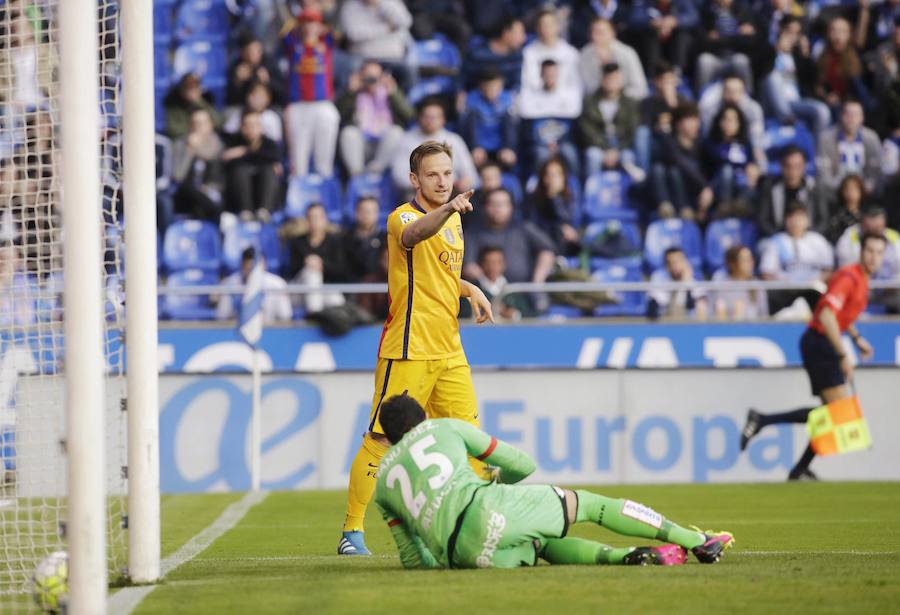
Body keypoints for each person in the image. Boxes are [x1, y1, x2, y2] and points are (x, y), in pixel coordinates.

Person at [339, 141, 496, 556]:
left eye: (447, 173)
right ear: (415, 179)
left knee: (473, 441)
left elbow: (436, 276)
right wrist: (447, 210)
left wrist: (469, 288)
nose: (442, 181)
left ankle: (478, 526)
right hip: (407, 350)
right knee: (381, 440)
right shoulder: (402, 218)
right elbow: (415, 235)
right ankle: (351, 532)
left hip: (450, 351)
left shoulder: (455, 221)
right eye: (432, 174)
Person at [374, 393, 735, 569]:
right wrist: (500, 484)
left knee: (538, 545)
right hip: (486, 506)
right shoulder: (443, 426)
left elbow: (412, 559)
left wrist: (447, 560)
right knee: (591, 505)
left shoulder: (382, 483)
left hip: (462, 555)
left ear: (389, 438)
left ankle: (626, 557)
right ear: (423, 417)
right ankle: (698, 541)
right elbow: (522, 464)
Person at [740, 232, 888, 480]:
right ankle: (767, 426)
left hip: (825, 342)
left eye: (879, 252)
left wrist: (856, 337)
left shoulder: (861, 280)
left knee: (832, 413)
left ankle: (794, 462)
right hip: (819, 342)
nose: (874, 257)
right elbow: (827, 315)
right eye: (870, 251)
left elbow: (840, 315)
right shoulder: (849, 277)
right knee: (836, 411)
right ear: (861, 252)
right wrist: (843, 354)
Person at [282, 8, 341, 177]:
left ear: (320, 25)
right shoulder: (293, 45)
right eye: (306, 22)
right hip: (297, 105)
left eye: (313, 22)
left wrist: (325, 27)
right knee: (298, 163)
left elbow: (337, 22)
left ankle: (324, 194)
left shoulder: (327, 43)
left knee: (324, 162)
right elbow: (284, 27)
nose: (309, 27)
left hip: (323, 104)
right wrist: (295, 24)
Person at [463, 188, 556, 288]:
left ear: (511, 207)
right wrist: (486, 283)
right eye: (493, 204)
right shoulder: (472, 233)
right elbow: (468, 266)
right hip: (486, 292)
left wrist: (537, 281)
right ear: (485, 207)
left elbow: (548, 251)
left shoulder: (524, 228)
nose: (498, 208)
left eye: (502, 204)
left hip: (524, 290)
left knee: (541, 301)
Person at [337, 61, 414, 177]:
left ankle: (376, 172)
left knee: (396, 131)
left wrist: (394, 93)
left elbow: (409, 116)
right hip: (362, 144)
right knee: (348, 132)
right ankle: (356, 175)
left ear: (383, 76)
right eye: (368, 77)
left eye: (375, 77)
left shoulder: (390, 92)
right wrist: (350, 92)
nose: (372, 81)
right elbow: (338, 115)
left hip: (384, 146)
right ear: (360, 76)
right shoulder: (354, 93)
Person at [762, 15, 831, 138]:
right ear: (780, 30)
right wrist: (777, 50)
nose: (792, 36)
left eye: (796, 33)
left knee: (822, 111)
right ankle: (787, 120)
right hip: (771, 101)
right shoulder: (767, 50)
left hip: (795, 102)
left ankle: (816, 151)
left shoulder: (797, 57)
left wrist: (805, 54)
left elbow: (811, 78)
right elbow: (761, 72)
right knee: (773, 77)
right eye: (789, 31)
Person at [759, 202, 835, 313]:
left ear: (807, 220)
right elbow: (766, 273)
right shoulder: (776, 241)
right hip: (785, 292)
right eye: (792, 217)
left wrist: (816, 281)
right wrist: (785, 282)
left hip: (813, 290)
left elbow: (828, 270)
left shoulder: (818, 241)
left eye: (800, 217)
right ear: (786, 220)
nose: (796, 222)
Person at [390, 98, 477, 193]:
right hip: (418, 193)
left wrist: (465, 182)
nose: (430, 121)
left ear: (443, 119)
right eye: (427, 117)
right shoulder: (406, 140)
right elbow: (399, 176)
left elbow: (471, 175)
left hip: (451, 192)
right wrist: (425, 186)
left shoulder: (454, 140)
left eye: (435, 117)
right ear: (419, 118)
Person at [578, 63, 643, 181]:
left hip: (622, 145)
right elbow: (587, 131)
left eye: (615, 79)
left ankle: (634, 194)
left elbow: (631, 131)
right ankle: (591, 194)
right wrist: (605, 149)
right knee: (593, 156)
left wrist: (617, 150)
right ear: (602, 80)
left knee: (628, 158)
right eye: (609, 78)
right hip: (599, 145)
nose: (611, 82)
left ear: (621, 81)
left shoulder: (630, 103)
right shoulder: (589, 101)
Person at [653, 102, 715, 219]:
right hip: (673, 190)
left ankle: (687, 210)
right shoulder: (669, 142)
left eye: (697, 120)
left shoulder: (702, 143)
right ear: (678, 123)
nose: (696, 124)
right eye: (691, 120)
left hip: (696, 194)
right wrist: (704, 186)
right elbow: (680, 163)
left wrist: (707, 188)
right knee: (666, 169)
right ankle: (667, 207)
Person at [286, 202, 348, 313]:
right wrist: (306, 263)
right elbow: (292, 269)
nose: (314, 221)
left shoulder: (334, 241)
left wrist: (322, 265)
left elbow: (340, 270)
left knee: (337, 300)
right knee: (312, 273)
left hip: (323, 288)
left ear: (325, 219)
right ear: (306, 220)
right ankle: (314, 314)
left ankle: (325, 323)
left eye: (318, 217)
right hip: (300, 290)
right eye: (311, 217)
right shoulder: (297, 242)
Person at [221, 110, 283, 219]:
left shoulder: (269, 144)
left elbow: (271, 158)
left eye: (254, 125)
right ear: (241, 127)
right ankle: (246, 212)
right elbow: (230, 163)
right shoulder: (233, 141)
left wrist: (245, 151)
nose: (251, 129)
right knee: (239, 170)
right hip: (239, 195)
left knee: (269, 170)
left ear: (261, 127)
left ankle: (264, 212)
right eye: (247, 125)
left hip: (263, 192)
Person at [758, 146, 828, 237]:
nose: (792, 172)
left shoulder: (814, 188)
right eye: (788, 166)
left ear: (804, 166)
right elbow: (763, 221)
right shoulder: (770, 187)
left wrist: (807, 236)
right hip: (777, 238)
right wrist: (779, 237)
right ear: (781, 166)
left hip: (808, 238)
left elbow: (823, 221)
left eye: (797, 166)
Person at [816, 100, 882, 194]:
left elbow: (876, 170)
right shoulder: (826, 138)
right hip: (834, 190)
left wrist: (865, 189)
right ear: (840, 116)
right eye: (847, 114)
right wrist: (838, 190)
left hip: (865, 191)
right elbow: (823, 170)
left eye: (855, 115)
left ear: (862, 118)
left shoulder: (871, 138)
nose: (851, 118)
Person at [702, 103, 760, 210]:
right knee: (727, 170)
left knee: (752, 178)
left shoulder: (745, 143)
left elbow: (751, 163)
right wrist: (743, 166)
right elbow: (719, 162)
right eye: (725, 119)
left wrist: (752, 169)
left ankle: (742, 208)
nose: (729, 124)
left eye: (733, 120)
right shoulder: (711, 143)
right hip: (717, 184)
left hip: (741, 183)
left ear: (739, 123)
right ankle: (725, 208)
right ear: (719, 122)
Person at [171, 108, 224, 221]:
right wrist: (189, 151)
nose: (198, 127)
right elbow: (178, 176)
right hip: (185, 193)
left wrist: (208, 188)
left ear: (210, 125)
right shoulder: (180, 144)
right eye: (195, 123)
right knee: (191, 190)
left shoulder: (218, 145)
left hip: (210, 192)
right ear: (189, 126)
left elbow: (220, 177)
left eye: (202, 123)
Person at [215, 247, 292, 322]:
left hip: (271, 330)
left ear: (265, 265)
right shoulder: (230, 283)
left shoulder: (277, 284)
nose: (253, 274)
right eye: (250, 269)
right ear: (242, 265)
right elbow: (222, 316)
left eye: (257, 269)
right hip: (239, 331)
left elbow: (285, 316)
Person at [460, 70, 518, 169]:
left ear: (500, 86)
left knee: (509, 158)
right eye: (487, 87)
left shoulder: (509, 99)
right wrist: (474, 147)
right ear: (481, 87)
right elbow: (470, 127)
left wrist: (509, 147)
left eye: (495, 87)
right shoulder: (471, 99)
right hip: (480, 148)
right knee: (474, 158)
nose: (491, 90)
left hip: (501, 147)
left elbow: (511, 127)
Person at [578, 18, 648, 100]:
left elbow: (640, 88)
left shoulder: (627, 53)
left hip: (626, 102)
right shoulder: (585, 54)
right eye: (593, 32)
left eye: (600, 32)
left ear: (612, 34)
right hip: (597, 104)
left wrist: (616, 96)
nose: (595, 36)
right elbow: (588, 88)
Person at [525, 157, 581, 256]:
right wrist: (553, 197)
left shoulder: (571, 197)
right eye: (548, 175)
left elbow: (570, 221)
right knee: (559, 231)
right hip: (543, 240)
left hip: (567, 240)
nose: (552, 179)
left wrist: (555, 198)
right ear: (542, 178)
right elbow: (533, 225)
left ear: (564, 177)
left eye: (556, 175)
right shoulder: (533, 198)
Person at [521, 8, 582, 97]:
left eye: (550, 24)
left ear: (558, 26)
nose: (547, 28)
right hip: (537, 103)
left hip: (565, 104)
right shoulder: (528, 53)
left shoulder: (571, 53)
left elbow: (576, 84)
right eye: (543, 25)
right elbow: (527, 84)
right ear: (537, 28)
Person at [338, 0, 412, 67]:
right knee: (351, 66)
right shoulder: (350, 6)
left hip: (392, 56)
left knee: (408, 70)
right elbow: (353, 35)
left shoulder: (391, 2)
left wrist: (380, 4)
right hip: (363, 57)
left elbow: (405, 22)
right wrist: (386, 29)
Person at [462, 17, 527, 90]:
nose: (524, 38)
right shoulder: (477, 54)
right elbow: (463, 80)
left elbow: (516, 85)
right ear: (506, 33)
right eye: (520, 33)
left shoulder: (517, 56)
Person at [647, 247, 708, 319]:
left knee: (701, 306)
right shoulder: (658, 280)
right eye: (671, 262)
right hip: (666, 325)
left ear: (686, 262)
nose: (675, 266)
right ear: (666, 266)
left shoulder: (696, 284)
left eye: (679, 261)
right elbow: (653, 312)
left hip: (689, 326)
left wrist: (686, 285)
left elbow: (692, 310)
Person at [712, 245, 769, 320]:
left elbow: (764, 317)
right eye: (745, 260)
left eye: (751, 259)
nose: (750, 264)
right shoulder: (720, 283)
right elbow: (714, 314)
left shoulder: (757, 285)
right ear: (732, 264)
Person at [226, 36, 284, 107]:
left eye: (256, 51)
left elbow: (282, 92)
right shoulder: (236, 67)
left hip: (269, 107)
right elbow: (229, 99)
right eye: (248, 51)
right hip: (244, 108)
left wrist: (268, 81)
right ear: (242, 53)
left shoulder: (269, 64)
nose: (252, 55)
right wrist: (237, 82)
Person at [222, 80, 284, 145]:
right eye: (253, 94)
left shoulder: (271, 117)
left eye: (260, 96)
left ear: (268, 99)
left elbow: (276, 143)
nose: (256, 99)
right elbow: (227, 134)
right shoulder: (238, 114)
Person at [342, 196, 387, 282]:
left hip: (378, 289)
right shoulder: (345, 239)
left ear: (377, 213)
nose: (366, 214)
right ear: (356, 213)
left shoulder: (386, 239)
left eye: (370, 211)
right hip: (350, 287)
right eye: (363, 210)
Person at [164, 73, 221, 140]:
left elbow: (218, 123)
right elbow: (172, 130)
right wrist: (193, 132)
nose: (191, 90)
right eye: (188, 87)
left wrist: (198, 101)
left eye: (195, 87)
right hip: (184, 140)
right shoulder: (173, 104)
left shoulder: (205, 100)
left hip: (206, 138)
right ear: (182, 89)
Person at [825, 174, 868, 243]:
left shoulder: (866, 215)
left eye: (855, 188)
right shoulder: (836, 215)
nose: (851, 192)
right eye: (847, 188)